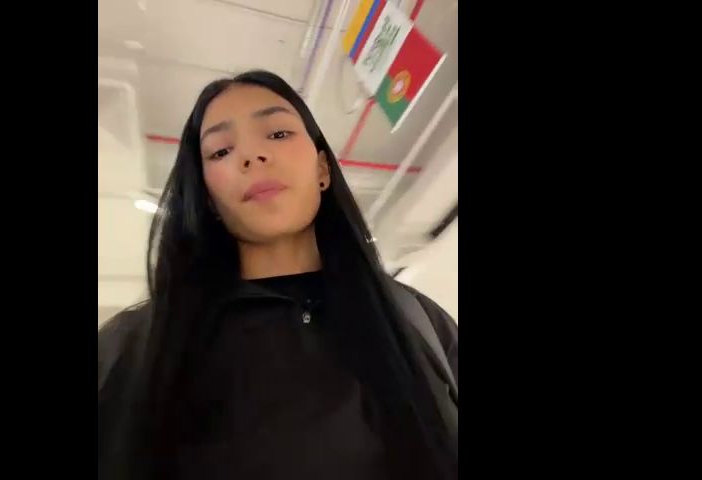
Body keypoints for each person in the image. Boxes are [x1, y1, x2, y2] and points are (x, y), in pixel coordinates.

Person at [98, 70, 457, 480]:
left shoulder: (417, 317)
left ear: (322, 169)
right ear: (207, 197)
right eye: (221, 151)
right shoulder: (136, 345)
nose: (252, 156)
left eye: (278, 134)